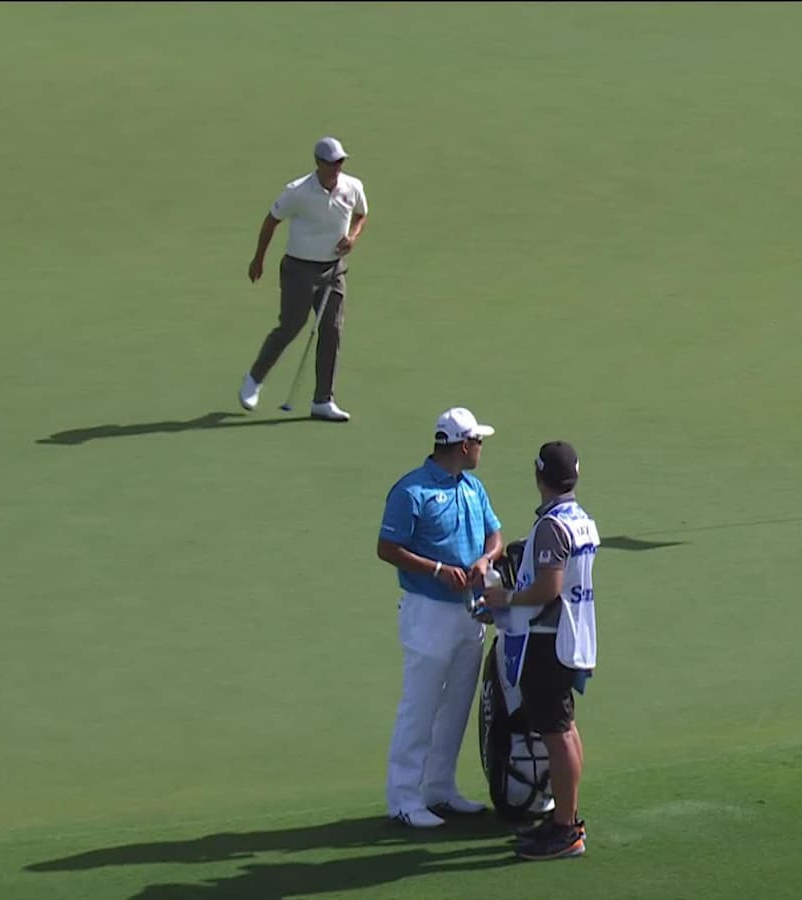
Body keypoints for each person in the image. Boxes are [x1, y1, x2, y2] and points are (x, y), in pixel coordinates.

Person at [376, 408, 505, 828]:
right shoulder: (411, 491)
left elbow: (495, 535)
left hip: (470, 611)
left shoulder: (473, 487)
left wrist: (486, 559)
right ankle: (403, 798)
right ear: (464, 445)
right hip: (427, 611)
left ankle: (439, 788)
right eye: (479, 442)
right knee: (421, 703)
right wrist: (436, 570)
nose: (482, 449)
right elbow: (387, 547)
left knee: (456, 704)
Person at [481, 440, 598, 861]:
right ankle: (566, 819)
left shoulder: (552, 526)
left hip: (549, 642)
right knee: (564, 727)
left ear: (538, 476)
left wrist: (505, 600)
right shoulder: (580, 519)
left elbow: (547, 588)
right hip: (572, 637)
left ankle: (566, 829)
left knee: (557, 730)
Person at [239, 136, 368, 421]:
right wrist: (258, 259)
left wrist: (353, 239)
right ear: (319, 163)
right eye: (332, 162)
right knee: (292, 325)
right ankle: (254, 378)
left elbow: (361, 215)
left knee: (332, 329)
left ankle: (323, 400)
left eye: (340, 162)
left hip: (334, 269)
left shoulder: (353, 187)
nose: (337, 167)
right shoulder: (297, 191)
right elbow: (271, 221)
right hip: (299, 269)